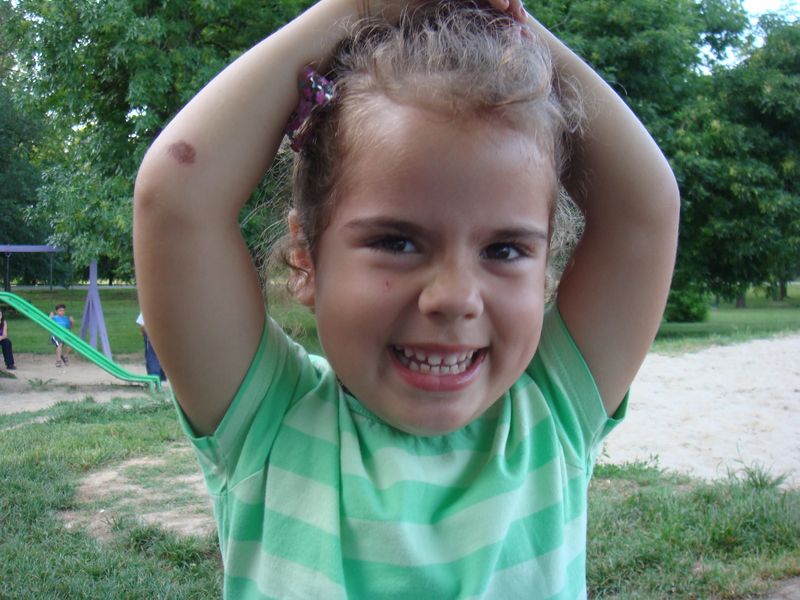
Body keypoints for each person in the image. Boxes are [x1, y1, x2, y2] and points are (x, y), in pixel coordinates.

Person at [133, 0, 680, 597]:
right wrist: (357, 8)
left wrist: (508, 22)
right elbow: (176, 199)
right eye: (396, 242)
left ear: (545, 269)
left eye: (503, 250)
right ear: (307, 260)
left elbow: (645, 211)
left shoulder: (552, 411)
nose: (454, 298)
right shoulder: (266, 421)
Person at [136, 312, 166, 381]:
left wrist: (143, 332)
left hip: (151, 335)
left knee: (152, 357)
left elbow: (142, 325)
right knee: (162, 356)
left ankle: (154, 377)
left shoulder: (147, 310)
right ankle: (161, 377)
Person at [49, 303, 74, 367]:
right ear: (56, 311)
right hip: (55, 335)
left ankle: (65, 356)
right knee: (59, 345)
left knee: (71, 343)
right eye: (60, 310)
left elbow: (70, 327)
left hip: (63, 336)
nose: (62, 312)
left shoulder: (66, 318)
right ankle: (58, 360)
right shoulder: (54, 318)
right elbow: (48, 324)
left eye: (63, 311)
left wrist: (72, 322)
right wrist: (50, 318)